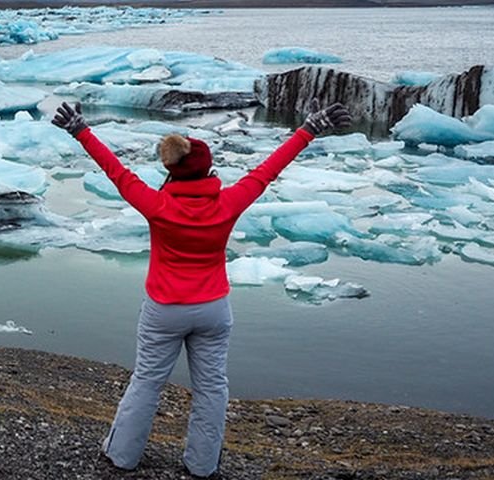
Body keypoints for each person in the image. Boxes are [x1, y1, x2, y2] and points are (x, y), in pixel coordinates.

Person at [52, 101, 352, 477]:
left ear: (171, 171)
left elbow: (117, 172)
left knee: (147, 381)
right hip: (213, 309)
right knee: (212, 388)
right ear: (209, 170)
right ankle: (201, 464)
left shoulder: (158, 204)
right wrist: (309, 128)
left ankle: (122, 456)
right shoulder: (228, 203)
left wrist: (81, 130)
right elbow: (267, 170)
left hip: (164, 308)